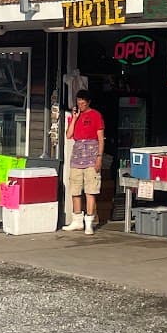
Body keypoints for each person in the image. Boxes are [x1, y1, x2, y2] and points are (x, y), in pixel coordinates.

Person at [62, 89, 105, 234]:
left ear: (88, 102)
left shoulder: (96, 115)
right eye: (78, 101)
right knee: (75, 189)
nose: (80, 104)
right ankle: (77, 220)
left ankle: (89, 222)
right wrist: (74, 118)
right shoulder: (76, 116)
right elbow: (68, 135)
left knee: (91, 190)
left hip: (92, 155)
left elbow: (100, 138)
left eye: (83, 102)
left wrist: (99, 157)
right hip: (77, 156)